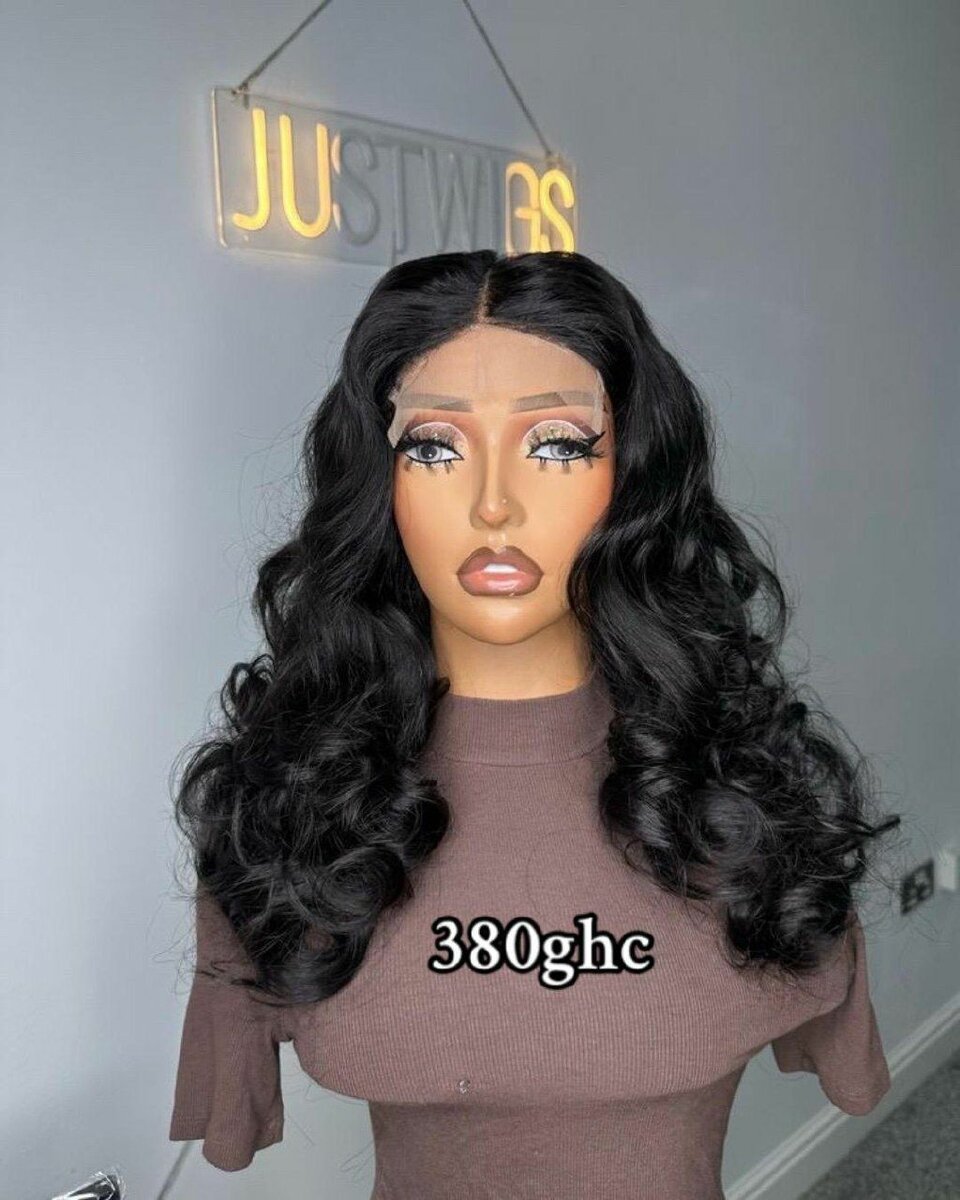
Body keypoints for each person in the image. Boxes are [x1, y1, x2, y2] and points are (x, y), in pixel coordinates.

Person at [168, 249, 899, 1196]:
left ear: (631, 474)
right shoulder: (286, 810)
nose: (494, 505)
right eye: (435, 447)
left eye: (555, 444)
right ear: (380, 484)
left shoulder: (752, 796)